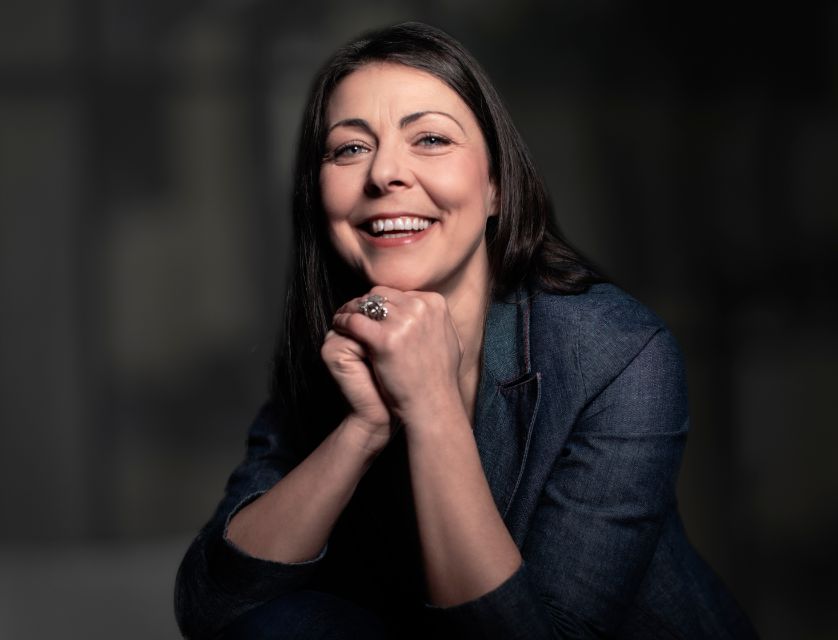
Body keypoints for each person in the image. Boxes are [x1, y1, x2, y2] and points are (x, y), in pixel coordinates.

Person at [174, 21, 756, 640]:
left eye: (429, 138)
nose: (384, 175)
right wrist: (364, 427)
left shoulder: (615, 352)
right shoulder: (336, 350)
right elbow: (213, 606)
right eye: (349, 148)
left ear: (497, 186)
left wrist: (429, 404)